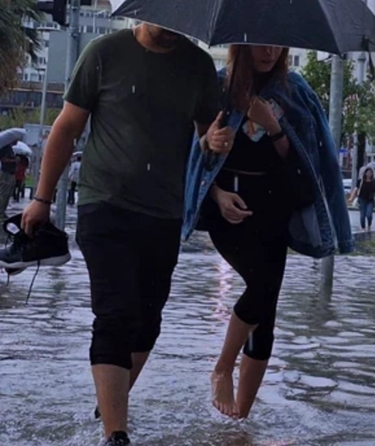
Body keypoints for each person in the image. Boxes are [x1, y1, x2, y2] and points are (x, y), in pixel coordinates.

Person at [21, 23, 234, 446]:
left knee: (147, 323)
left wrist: (212, 142)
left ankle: (108, 404)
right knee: (115, 314)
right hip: (105, 205)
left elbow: (205, 139)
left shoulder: (197, 66)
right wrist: (41, 199)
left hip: (165, 212)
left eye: (180, 26)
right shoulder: (103, 54)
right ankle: (115, 434)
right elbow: (66, 128)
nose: (173, 31)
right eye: (165, 23)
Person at [183, 44, 353, 419]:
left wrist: (273, 125)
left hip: (274, 211)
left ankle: (240, 420)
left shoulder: (295, 91)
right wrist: (215, 182)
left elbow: (304, 165)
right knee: (260, 287)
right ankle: (222, 367)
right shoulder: (218, 88)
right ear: (241, 45)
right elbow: (193, 156)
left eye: (277, 45)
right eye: (261, 44)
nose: (269, 52)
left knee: (266, 311)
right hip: (227, 209)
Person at [348, 167, 375, 232]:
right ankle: (363, 227)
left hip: (370, 200)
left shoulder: (374, 181)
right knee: (362, 215)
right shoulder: (361, 181)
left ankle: (369, 224)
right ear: (365, 173)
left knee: (369, 214)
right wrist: (351, 198)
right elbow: (356, 190)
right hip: (362, 199)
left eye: (370, 172)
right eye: (368, 172)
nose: (369, 174)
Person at [0, 143, 17, 219]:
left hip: (11, 173)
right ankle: (0, 212)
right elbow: (4, 160)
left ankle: (3, 211)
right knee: (4, 193)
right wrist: (14, 160)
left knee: (8, 194)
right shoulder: (5, 148)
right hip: (6, 173)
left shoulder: (10, 148)